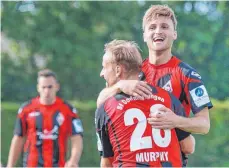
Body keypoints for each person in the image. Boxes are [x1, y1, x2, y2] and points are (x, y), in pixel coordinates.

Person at [97, 4, 213, 166]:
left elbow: (204, 125)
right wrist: (120, 85)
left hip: (169, 160)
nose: (158, 31)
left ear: (174, 34)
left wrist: (175, 121)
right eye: (152, 27)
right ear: (144, 35)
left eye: (164, 26)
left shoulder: (187, 75)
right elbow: (102, 104)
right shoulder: (134, 72)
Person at [96, 39, 194, 167]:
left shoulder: (106, 107)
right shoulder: (168, 98)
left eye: (104, 67)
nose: (101, 73)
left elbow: (106, 162)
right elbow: (188, 147)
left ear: (118, 70)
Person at [7, 69, 83, 167]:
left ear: (57, 87)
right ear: (38, 88)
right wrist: (10, 165)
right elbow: (18, 138)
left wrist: (73, 160)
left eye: (50, 87)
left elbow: (77, 137)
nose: (47, 91)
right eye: (43, 87)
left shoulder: (68, 110)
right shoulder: (26, 109)